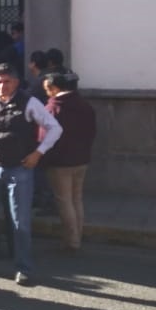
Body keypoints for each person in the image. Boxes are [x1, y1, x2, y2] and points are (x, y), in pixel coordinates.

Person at [0, 63, 62, 285]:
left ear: (15, 82)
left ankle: (23, 267)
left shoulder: (29, 102)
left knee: (20, 221)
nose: (1, 86)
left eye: (6, 81)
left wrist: (38, 153)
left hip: (20, 168)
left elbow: (55, 128)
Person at [41, 72, 97, 251]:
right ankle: (77, 235)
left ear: (55, 88)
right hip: (81, 159)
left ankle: (72, 241)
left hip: (60, 162)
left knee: (64, 201)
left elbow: (43, 136)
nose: (47, 93)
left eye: (48, 89)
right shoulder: (85, 105)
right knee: (76, 199)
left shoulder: (52, 109)